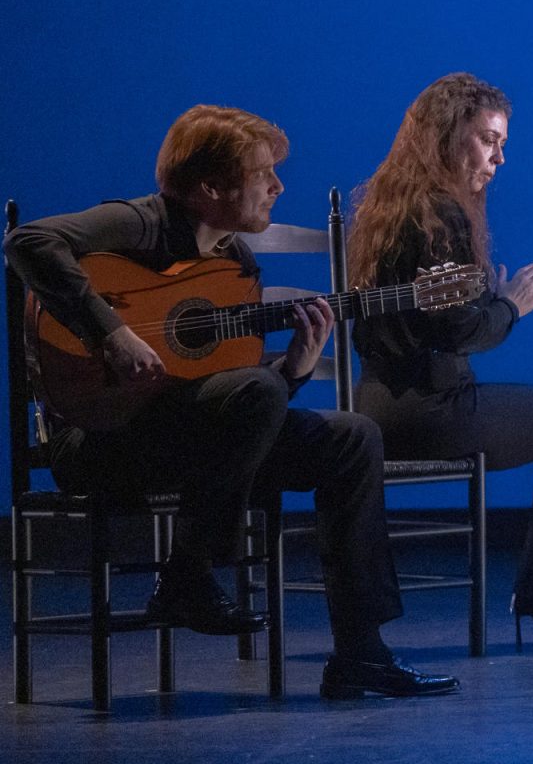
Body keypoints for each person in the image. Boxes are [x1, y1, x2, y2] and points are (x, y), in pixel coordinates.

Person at [4, 104, 460, 699]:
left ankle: (361, 654)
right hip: (100, 442)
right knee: (259, 390)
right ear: (210, 188)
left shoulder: (235, 264)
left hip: (195, 446)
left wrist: (295, 366)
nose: (278, 187)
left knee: (354, 436)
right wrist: (112, 334)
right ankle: (190, 577)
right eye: (263, 174)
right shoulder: (141, 224)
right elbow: (26, 241)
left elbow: (229, 391)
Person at [347, 72, 533, 649]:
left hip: (378, 410)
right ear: (448, 133)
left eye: (503, 144)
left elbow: (434, 320)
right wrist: (516, 304)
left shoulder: (390, 206)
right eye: (489, 139)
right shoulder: (444, 213)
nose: (499, 157)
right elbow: (461, 335)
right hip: (432, 413)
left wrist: (495, 297)